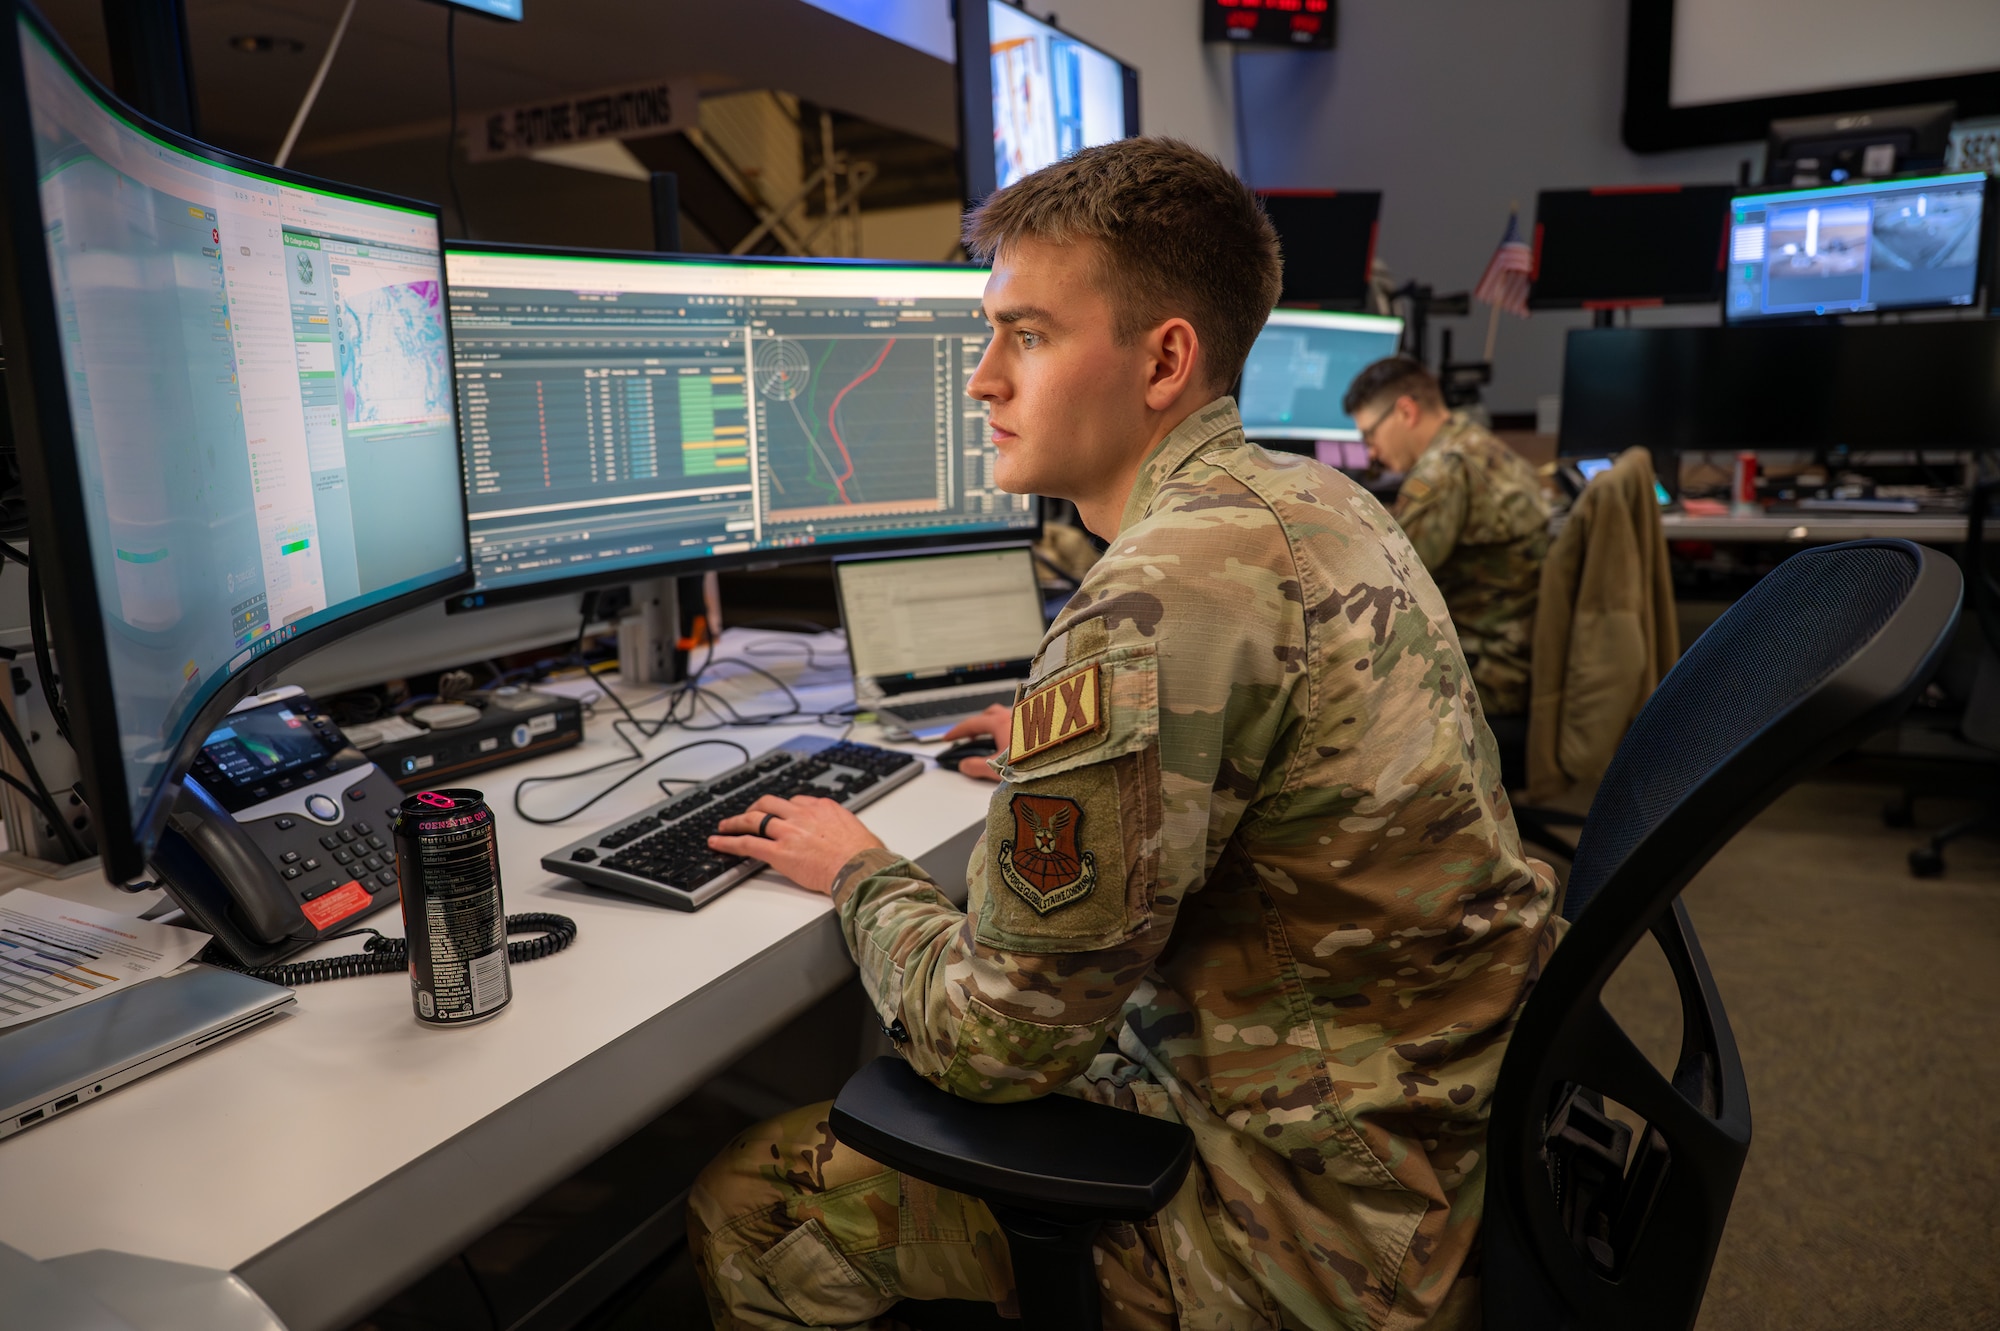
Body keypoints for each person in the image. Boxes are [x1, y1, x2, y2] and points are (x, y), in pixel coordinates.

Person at [690, 138, 1559, 1331]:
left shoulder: (1151, 605)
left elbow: (996, 1044)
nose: (981, 381)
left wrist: (860, 871)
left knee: (749, 1197)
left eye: (1027, 335)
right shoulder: (1312, 499)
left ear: (1162, 360)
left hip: (1317, 1231)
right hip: (1429, 1132)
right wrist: (1069, 738)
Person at [1342, 358, 1550, 718]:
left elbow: (1388, 582)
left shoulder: (1442, 473)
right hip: (1519, 655)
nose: (1371, 452)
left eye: (1369, 435)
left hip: (1485, 675)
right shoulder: (1479, 445)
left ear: (1406, 412)